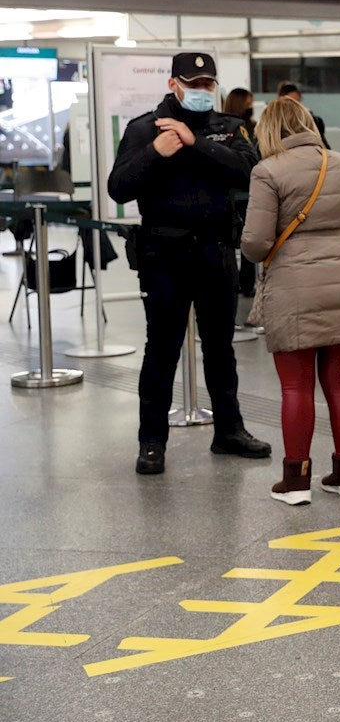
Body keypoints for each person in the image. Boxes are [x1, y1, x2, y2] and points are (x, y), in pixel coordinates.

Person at [107, 52, 271, 475]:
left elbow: (249, 172)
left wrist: (194, 142)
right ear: (173, 84)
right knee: (161, 350)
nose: (200, 91)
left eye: (207, 84)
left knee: (220, 348)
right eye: (192, 83)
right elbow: (119, 188)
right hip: (165, 255)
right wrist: (156, 153)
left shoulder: (229, 128)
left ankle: (229, 430)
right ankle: (151, 441)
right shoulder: (144, 129)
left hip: (215, 252)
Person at [241, 97, 340, 505]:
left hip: (294, 287)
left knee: (296, 387)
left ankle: (296, 482)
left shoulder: (267, 170)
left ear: (270, 130)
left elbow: (257, 244)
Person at [223, 88, 259, 299]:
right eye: (249, 103)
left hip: (243, 192)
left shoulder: (238, 127)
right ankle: (239, 283)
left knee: (247, 241)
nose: (251, 107)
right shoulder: (236, 128)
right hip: (239, 192)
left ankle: (244, 283)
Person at [277, 80, 330, 148]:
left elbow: (324, 147)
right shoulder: (273, 124)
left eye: (297, 103)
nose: (294, 107)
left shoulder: (314, 121)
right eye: (290, 102)